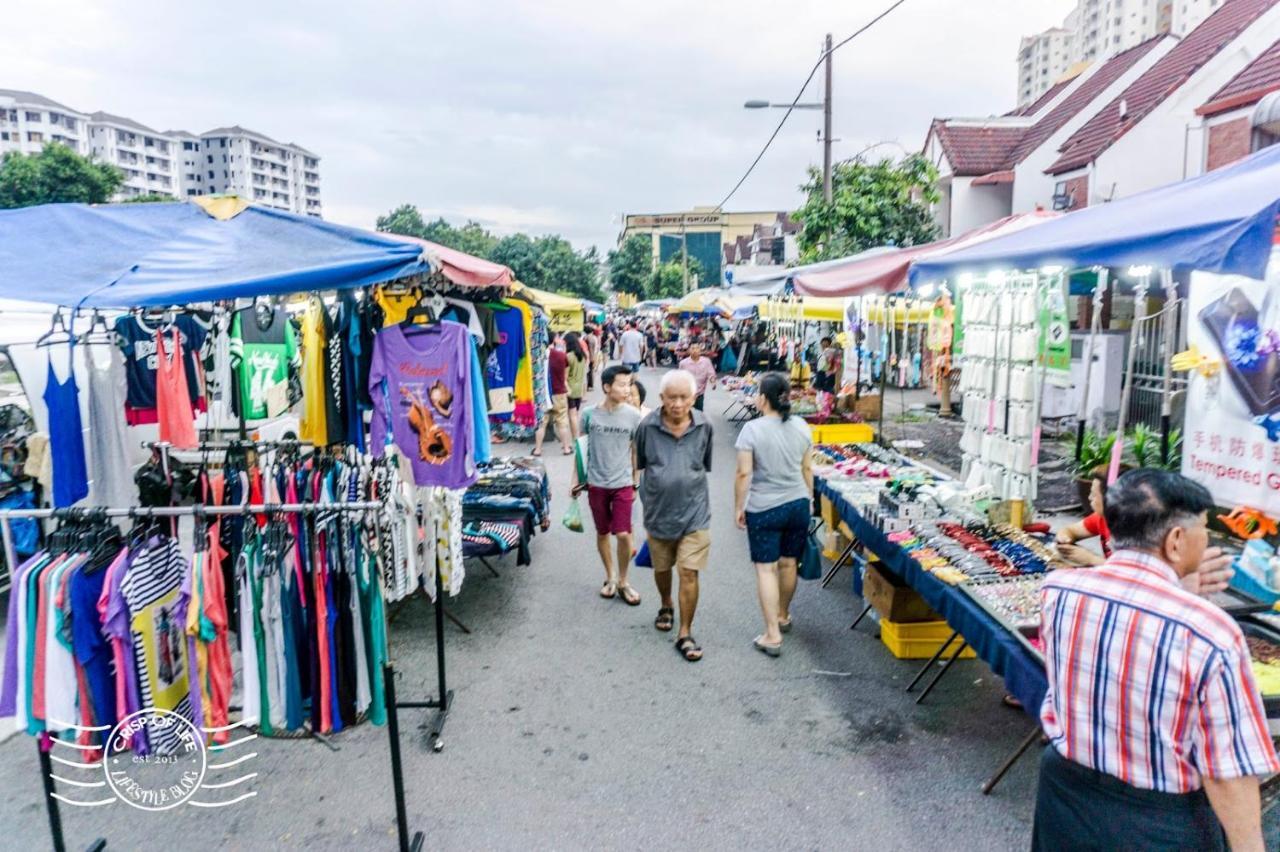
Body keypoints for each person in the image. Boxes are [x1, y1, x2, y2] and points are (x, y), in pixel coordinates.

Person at [1034, 469, 1278, 852]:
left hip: (1065, 797)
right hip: (1157, 823)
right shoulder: (1209, 632)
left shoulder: (1058, 591)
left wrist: (1182, 592)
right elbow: (1227, 772)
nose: (1208, 538)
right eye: (1203, 528)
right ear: (1176, 540)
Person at [635, 370, 713, 662]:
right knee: (662, 568)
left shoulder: (705, 427)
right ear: (661, 399)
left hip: (695, 514)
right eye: (672, 398)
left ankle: (685, 631)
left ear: (694, 398)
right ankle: (666, 603)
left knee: (689, 572)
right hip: (658, 513)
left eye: (684, 397)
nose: (678, 404)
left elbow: (703, 465)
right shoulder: (647, 427)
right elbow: (642, 463)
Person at [734, 373, 813, 657]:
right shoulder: (803, 426)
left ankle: (772, 633)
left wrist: (738, 507)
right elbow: (807, 470)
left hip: (764, 507)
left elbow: (744, 473)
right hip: (798, 504)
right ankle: (783, 614)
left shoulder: (752, 430)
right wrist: (810, 502)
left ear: (763, 399)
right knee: (789, 563)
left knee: (766, 569)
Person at [575, 366, 643, 605]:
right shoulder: (588, 414)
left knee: (623, 534)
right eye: (621, 384)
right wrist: (577, 480)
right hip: (595, 482)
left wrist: (635, 483)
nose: (627, 389)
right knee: (602, 532)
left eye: (628, 384)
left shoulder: (635, 416)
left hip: (623, 483)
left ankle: (624, 580)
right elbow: (581, 450)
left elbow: (636, 452)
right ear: (606, 387)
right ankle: (611, 577)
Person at [1055, 472, 1111, 566]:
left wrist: (1091, 559)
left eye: (1094, 495)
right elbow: (1070, 530)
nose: (1089, 498)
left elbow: (1132, 573)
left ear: (1109, 499)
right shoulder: (1100, 518)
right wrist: (1065, 539)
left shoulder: (1135, 530)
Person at [534, 333, 571, 457]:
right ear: (554, 339)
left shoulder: (537, 357)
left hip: (542, 394)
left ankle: (538, 449)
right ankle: (566, 448)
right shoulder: (561, 356)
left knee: (541, 423)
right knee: (562, 421)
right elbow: (565, 375)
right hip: (559, 392)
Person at [678, 342, 717, 411]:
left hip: (699, 394)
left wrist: (713, 383)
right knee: (685, 413)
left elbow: (711, 374)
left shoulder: (706, 362)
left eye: (697, 348)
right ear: (689, 350)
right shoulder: (683, 363)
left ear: (700, 350)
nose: (695, 350)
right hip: (687, 394)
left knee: (699, 415)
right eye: (692, 348)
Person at [565, 331, 588, 438]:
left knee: (572, 415)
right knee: (575, 413)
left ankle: (576, 438)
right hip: (579, 388)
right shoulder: (582, 356)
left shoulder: (568, 356)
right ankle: (576, 435)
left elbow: (565, 376)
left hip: (570, 387)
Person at [583, 325, 599, 391]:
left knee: (587, 372)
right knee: (591, 371)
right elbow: (596, 348)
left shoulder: (585, 338)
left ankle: (587, 385)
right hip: (593, 356)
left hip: (588, 356)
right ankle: (591, 385)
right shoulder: (594, 338)